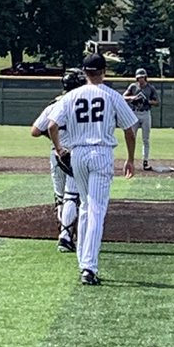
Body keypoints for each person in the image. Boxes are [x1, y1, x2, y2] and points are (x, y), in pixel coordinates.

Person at [48, 53, 138, 286]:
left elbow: (51, 125)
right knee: (96, 210)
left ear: (84, 72)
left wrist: (59, 149)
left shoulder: (71, 96)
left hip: (77, 153)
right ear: (104, 71)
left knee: (86, 207)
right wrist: (130, 158)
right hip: (101, 153)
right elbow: (130, 128)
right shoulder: (112, 96)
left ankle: (83, 262)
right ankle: (89, 267)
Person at [31, 69, 86, 252]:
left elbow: (35, 131)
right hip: (73, 154)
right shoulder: (82, 104)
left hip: (56, 154)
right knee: (72, 196)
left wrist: (56, 142)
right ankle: (66, 236)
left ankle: (63, 233)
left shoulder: (54, 104)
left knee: (60, 197)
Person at [123, 67, 160, 170]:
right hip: (134, 113)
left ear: (145, 77)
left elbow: (157, 102)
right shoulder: (133, 87)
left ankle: (145, 161)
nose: (141, 79)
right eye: (139, 77)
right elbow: (123, 97)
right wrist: (133, 98)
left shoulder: (150, 88)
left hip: (145, 113)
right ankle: (130, 160)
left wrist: (147, 101)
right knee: (132, 137)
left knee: (146, 139)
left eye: (142, 77)